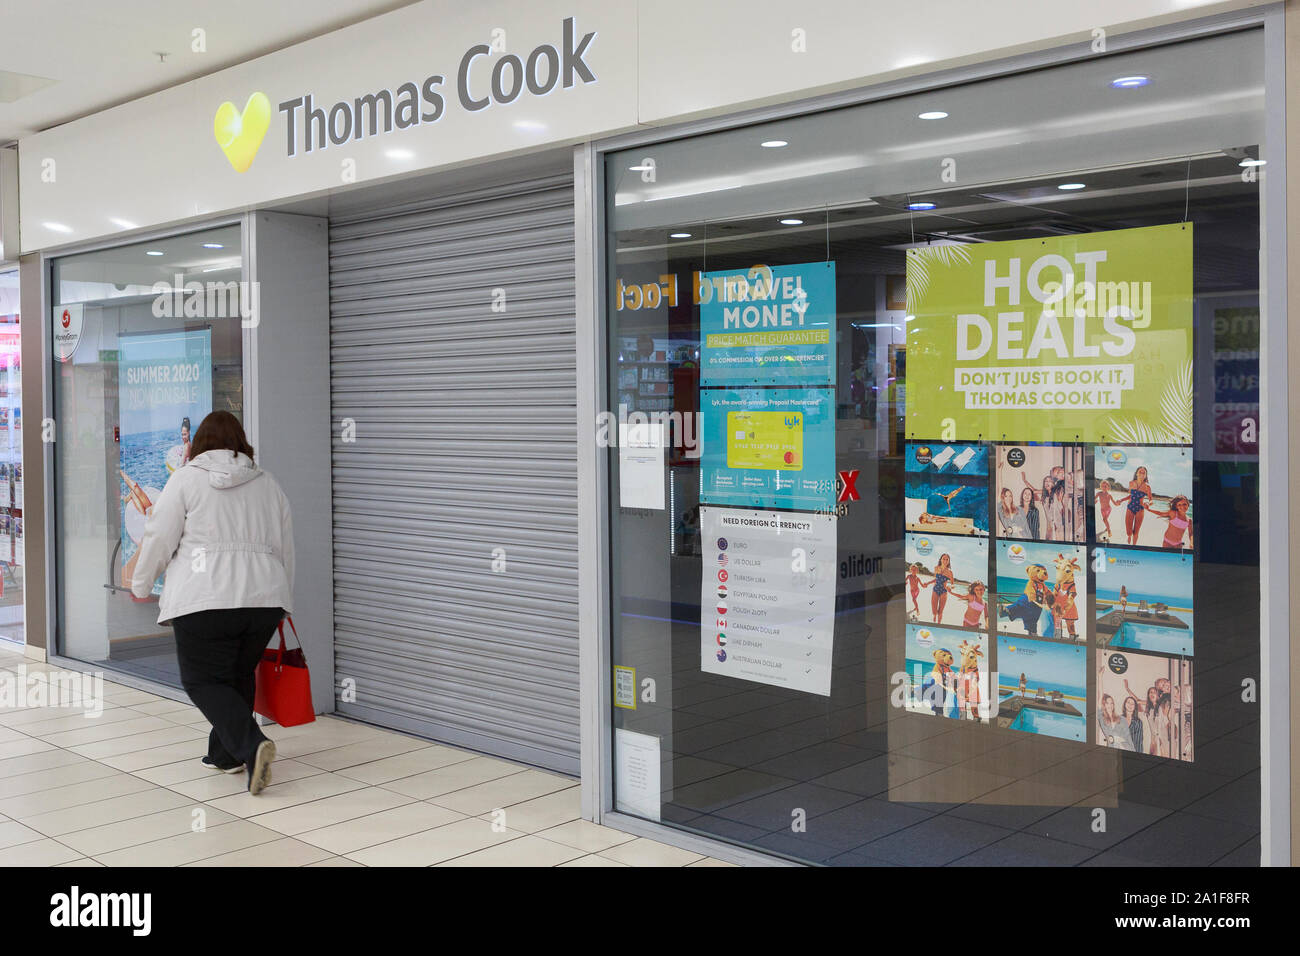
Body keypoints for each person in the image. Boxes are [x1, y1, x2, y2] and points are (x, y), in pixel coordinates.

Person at [130, 411, 295, 795]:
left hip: (203, 599)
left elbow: (158, 537)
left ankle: (253, 746)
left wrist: (141, 582)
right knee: (236, 674)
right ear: (241, 441)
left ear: (200, 443)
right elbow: (286, 547)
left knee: (202, 679)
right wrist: (284, 597)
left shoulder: (186, 480)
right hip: (263, 598)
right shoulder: (268, 483)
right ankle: (226, 756)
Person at [1125, 466, 1153, 545]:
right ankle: (1129, 536)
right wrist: (1121, 500)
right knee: (1128, 532)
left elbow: (1151, 500)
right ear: (1136, 473)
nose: (1142, 473)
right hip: (1130, 507)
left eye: (1144, 472)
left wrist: (1148, 503)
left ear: (1146, 475)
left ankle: (1134, 546)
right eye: (1140, 472)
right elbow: (1130, 496)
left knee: (1136, 532)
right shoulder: (1131, 483)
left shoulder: (1147, 487)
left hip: (1140, 509)